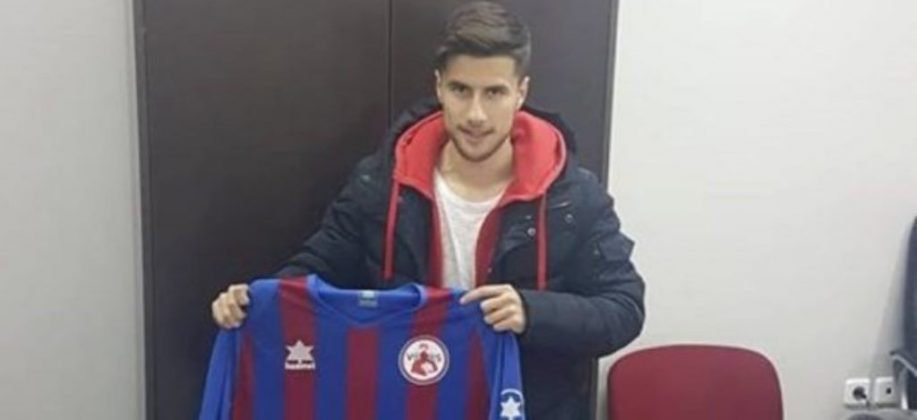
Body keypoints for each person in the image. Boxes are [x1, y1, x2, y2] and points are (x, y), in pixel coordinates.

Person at [211, 2, 644, 418]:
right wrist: (255, 301)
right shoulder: (381, 183)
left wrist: (532, 312)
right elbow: (318, 267)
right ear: (439, 87)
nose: (476, 115)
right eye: (460, 90)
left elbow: (624, 309)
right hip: (402, 401)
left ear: (521, 92)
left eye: (494, 92)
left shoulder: (572, 195)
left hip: (527, 407)